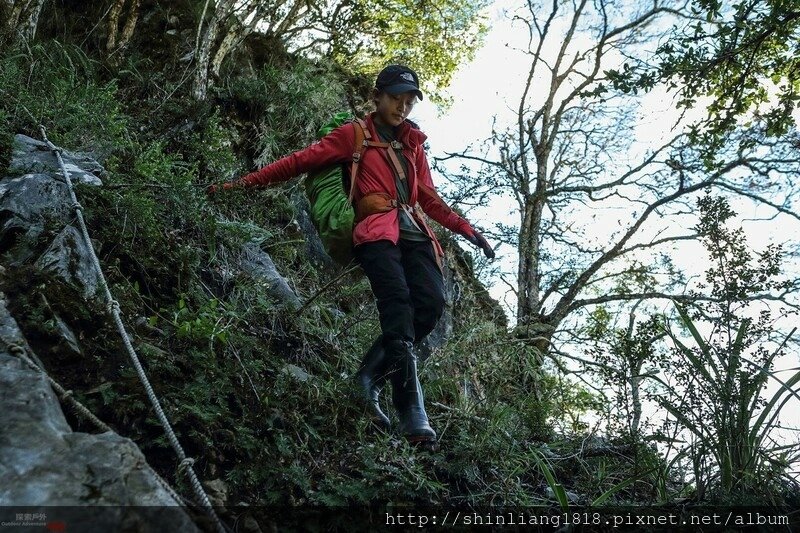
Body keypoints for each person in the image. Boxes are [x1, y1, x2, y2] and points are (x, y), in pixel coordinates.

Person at [209, 65, 495, 443]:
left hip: (416, 234)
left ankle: (367, 377)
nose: (402, 107)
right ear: (377, 97)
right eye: (396, 98)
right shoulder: (354, 135)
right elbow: (298, 161)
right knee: (397, 305)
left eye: (409, 101)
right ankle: (411, 410)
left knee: (431, 304)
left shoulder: (413, 145)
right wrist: (239, 185)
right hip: (376, 231)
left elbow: (428, 197)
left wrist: (467, 229)